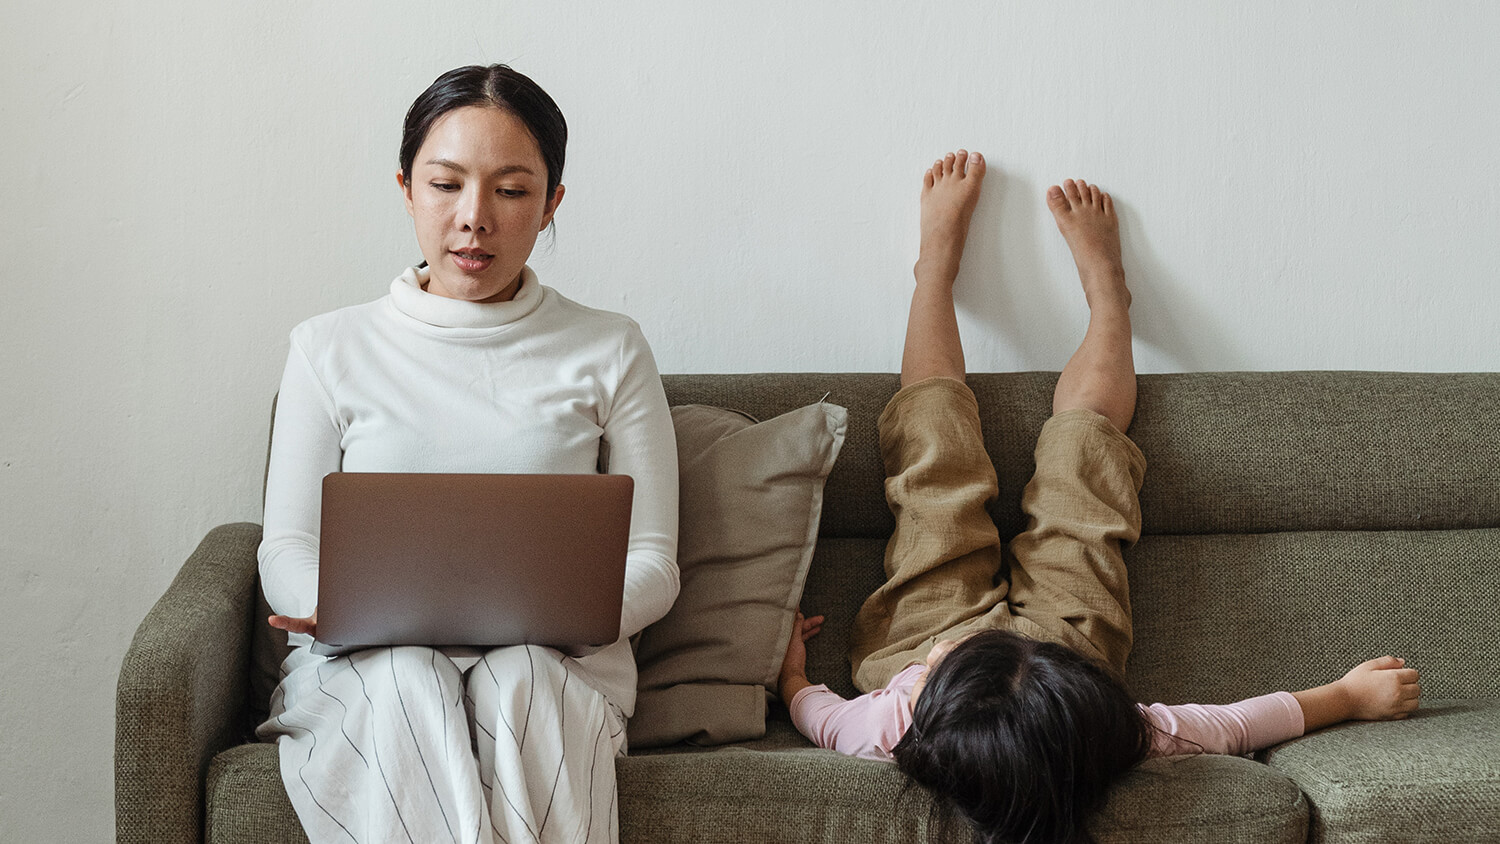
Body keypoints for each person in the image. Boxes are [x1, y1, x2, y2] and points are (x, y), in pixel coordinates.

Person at [777, 151, 1422, 843]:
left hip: (914, 642)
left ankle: (933, 268)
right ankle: (1110, 296)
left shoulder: (890, 727)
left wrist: (790, 673)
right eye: (954, 657)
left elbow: (817, 714)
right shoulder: (1105, 730)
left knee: (932, 464)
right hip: (1065, 645)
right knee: (1086, 470)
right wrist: (1346, 696)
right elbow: (1235, 724)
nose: (959, 647)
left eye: (949, 663)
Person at [255, 64, 678, 844]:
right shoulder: (327, 348)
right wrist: (332, 608)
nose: (473, 218)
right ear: (406, 189)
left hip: (555, 667)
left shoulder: (611, 348)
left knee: (522, 678)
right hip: (369, 668)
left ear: (551, 203)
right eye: (446, 185)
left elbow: (653, 558)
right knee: (407, 677)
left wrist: (569, 619)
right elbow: (285, 544)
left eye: (511, 191)